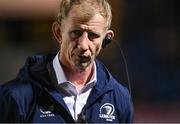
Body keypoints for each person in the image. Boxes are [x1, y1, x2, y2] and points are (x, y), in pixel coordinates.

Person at [0, 0, 133, 123]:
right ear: (58, 32)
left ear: (106, 39)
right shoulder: (14, 97)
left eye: (93, 35)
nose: (83, 45)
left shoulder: (119, 99)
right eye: (76, 33)